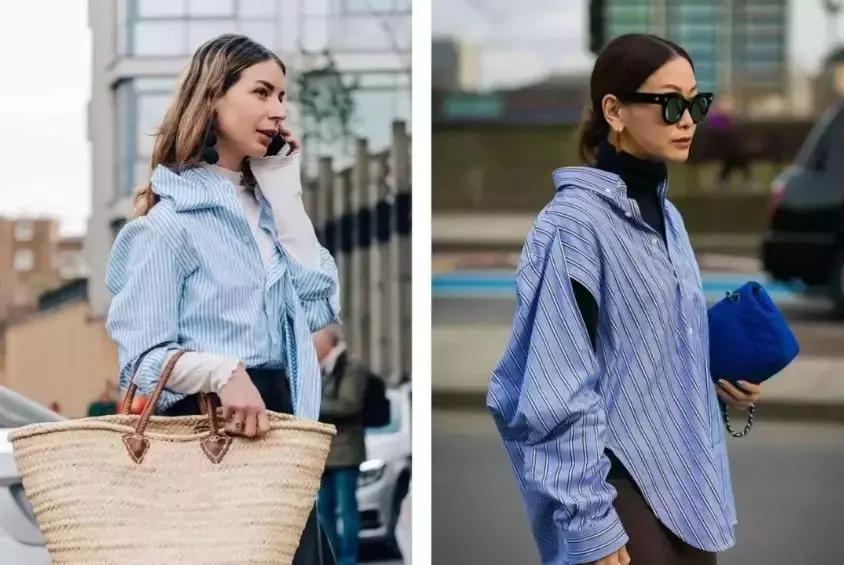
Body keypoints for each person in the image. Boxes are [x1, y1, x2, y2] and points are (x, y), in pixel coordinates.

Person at [487, 34, 763, 565]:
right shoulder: (574, 225)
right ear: (614, 110)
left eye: (696, 102)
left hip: (688, 476)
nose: (687, 119)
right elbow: (556, 384)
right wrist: (591, 521)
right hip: (614, 480)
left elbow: (650, 346)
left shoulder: (670, 217)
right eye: (669, 103)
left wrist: (725, 385)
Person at [105, 34, 340, 564]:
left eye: (282, 97)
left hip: (285, 438)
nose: (278, 111)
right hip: (211, 441)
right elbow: (140, 362)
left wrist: (284, 190)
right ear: (214, 96)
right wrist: (222, 372)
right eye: (262, 93)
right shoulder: (166, 228)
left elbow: (319, 307)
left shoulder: (267, 213)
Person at [314, 325, 367, 565]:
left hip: (346, 453)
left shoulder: (351, 367)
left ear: (330, 343)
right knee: (323, 512)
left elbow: (348, 405)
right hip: (323, 454)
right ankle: (332, 558)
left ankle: (348, 560)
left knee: (347, 510)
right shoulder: (320, 369)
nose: (313, 347)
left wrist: (314, 404)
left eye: (317, 342)